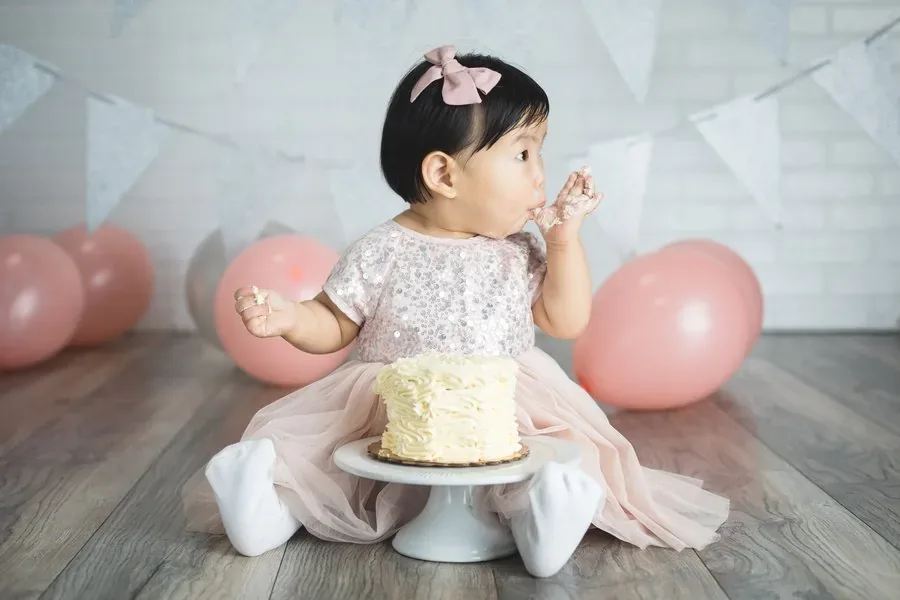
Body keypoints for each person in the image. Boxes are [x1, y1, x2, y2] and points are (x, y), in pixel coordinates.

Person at [182, 45, 729, 578]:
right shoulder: (383, 248)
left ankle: (547, 518)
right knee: (318, 464)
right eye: (522, 154)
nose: (540, 174)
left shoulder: (520, 249)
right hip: (390, 407)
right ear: (444, 176)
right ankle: (261, 506)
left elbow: (566, 321)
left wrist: (563, 241)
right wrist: (291, 319)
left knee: (559, 454)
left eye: (539, 153)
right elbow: (335, 322)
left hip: (504, 404)